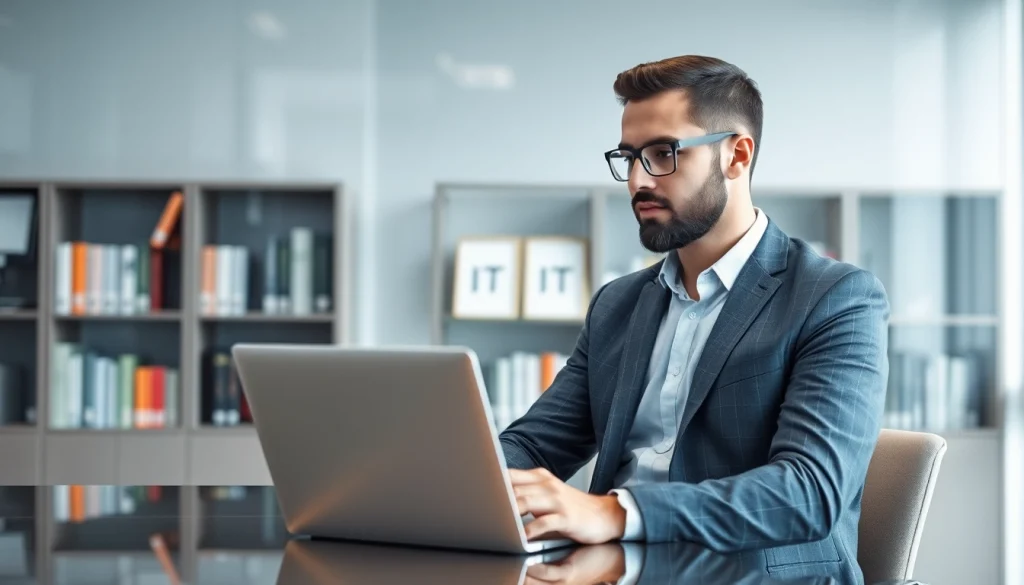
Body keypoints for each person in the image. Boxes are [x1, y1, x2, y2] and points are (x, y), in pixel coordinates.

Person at [499, 55, 889, 576]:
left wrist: (614, 512)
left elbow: (808, 491)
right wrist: (454, 485)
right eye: (629, 157)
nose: (638, 180)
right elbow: (535, 444)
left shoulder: (836, 298)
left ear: (736, 155)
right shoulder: (618, 304)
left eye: (663, 153)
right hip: (614, 570)